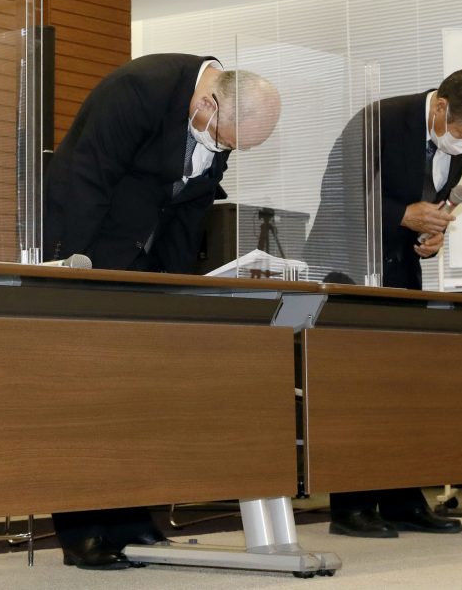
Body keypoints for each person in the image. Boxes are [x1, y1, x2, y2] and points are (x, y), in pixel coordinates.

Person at [43, 53, 282, 568]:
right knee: (88, 398)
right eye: (223, 140)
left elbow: (189, 205)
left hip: (144, 263)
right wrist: (75, 272)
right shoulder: (138, 89)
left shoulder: (218, 116)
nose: (221, 150)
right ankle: (82, 528)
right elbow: (84, 178)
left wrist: (176, 289)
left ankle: (131, 518)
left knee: (139, 395)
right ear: (208, 102)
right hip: (90, 252)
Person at [306, 69, 462, 538]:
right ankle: (350, 507)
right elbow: (338, 193)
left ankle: (401, 500)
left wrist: (430, 234)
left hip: (399, 268)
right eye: (460, 134)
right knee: (356, 389)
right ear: (440, 108)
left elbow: (426, 199)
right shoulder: (379, 118)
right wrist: (402, 215)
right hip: (347, 266)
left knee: (404, 386)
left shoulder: (461, 133)